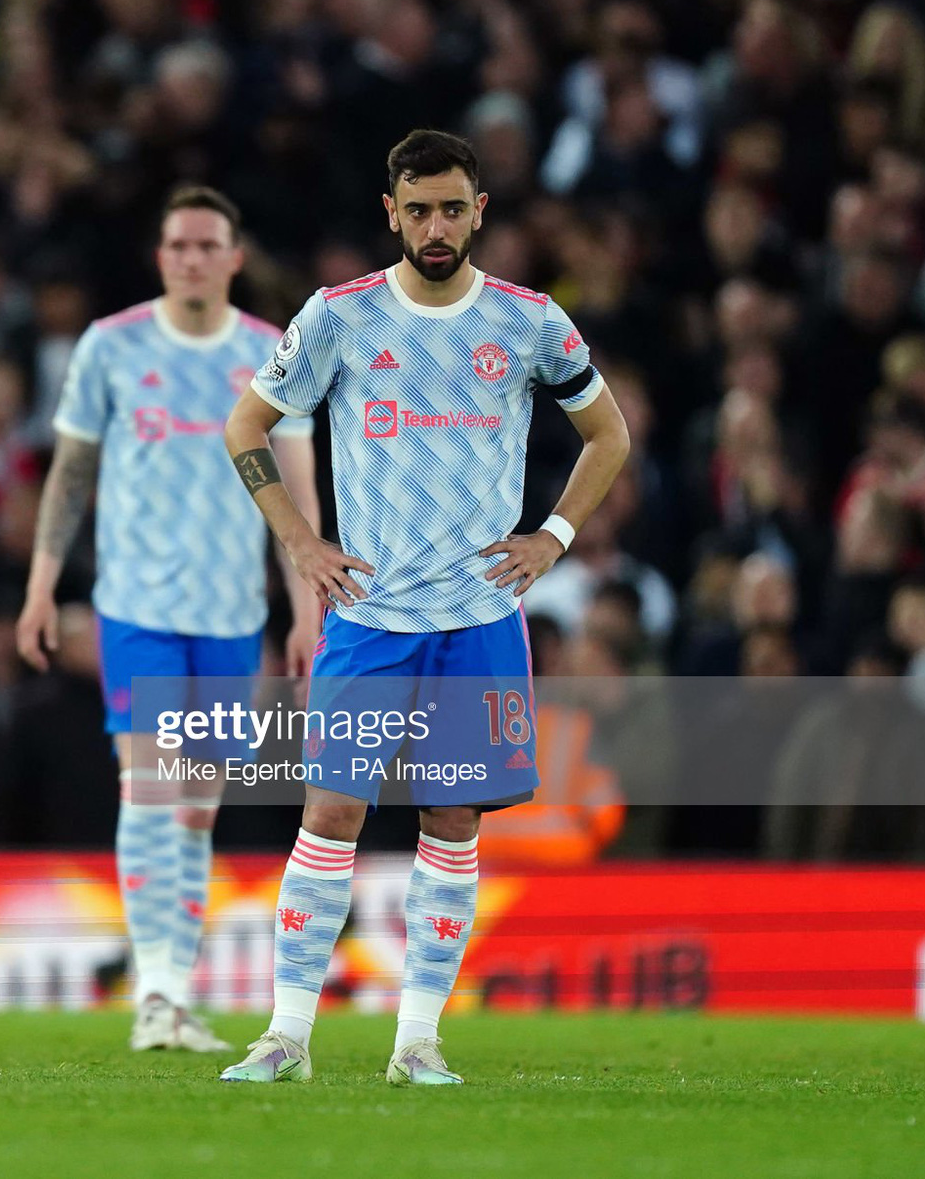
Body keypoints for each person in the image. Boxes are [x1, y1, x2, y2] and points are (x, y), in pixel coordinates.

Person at [220, 130, 630, 1087]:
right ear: (390, 211)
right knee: (330, 818)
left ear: (479, 210)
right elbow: (248, 424)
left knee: (452, 825)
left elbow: (607, 434)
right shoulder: (340, 317)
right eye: (418, 209)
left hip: (480, 618)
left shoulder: (530, 322)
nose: (435, 226)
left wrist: (553, 537)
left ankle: (418, 1044)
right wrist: (299, 541)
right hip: (368, 618)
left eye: (452, 208)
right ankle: (285, 1037)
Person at [16, 186, 321, 1053]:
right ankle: (152, 994)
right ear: (161, 256)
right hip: (137, 607)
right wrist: (41, 586)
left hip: (229, 615)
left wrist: (305, 609)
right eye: (177, 244)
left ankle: (171, 997)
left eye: (207, 245)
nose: (191, 258)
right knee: (151, 786)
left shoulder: (272, 355)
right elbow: (70, 472)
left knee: (196, 808)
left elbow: (298, 491)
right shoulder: (111, 347)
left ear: (234, 257)